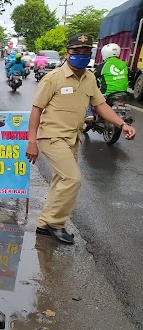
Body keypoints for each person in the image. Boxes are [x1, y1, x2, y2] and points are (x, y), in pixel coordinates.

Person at [26, 34, 136, 244]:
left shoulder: (90, 78)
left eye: (86, 52)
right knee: (72, 179)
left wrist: (122, 124)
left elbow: (100, 106)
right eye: (76, 52)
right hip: (51, 136)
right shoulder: (53, 78)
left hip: (72, 138)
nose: (81, 56)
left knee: (61, 181)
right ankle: (56, 224)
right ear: (67, 53)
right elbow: (36, 110)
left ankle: (43, 223)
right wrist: (32, 141)